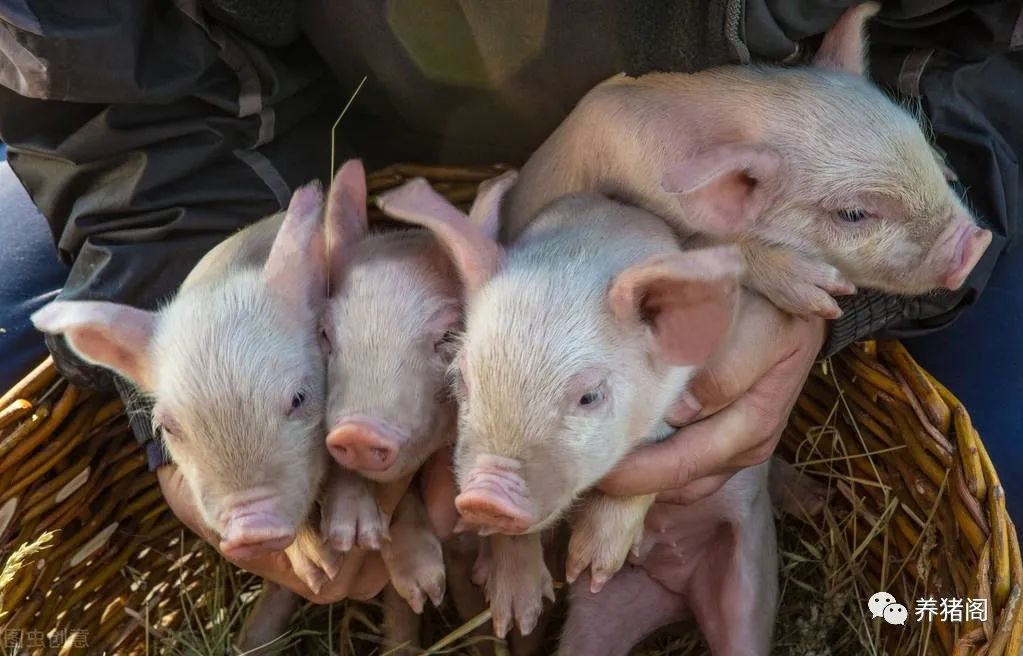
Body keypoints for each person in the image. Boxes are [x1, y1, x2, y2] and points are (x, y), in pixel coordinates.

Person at [0, 1, 1019, 604]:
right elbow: (105, 87)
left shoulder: (730, 211)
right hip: (334, 185)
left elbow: (972, 40)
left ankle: (898, 602)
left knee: (975, 544)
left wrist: (806, 311)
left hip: (810, 184)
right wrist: (196, 359)